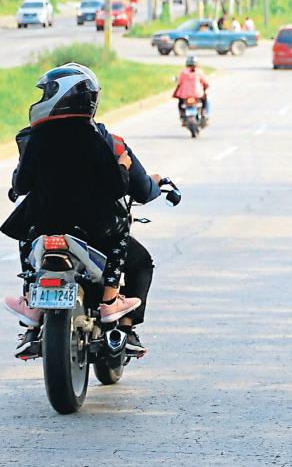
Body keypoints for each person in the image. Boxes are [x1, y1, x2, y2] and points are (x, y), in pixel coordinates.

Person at [1, 64, 159, 358]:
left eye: (46, 92)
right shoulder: (98, 138)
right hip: (94, 227)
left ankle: (31, 303)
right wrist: (123, 167)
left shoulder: (36, 138)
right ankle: (114, 307)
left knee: (27, 230)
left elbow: (21, 184)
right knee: (127, 242)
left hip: (45, 224)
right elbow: (116, 188)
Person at [173, 56, 210, 123]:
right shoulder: (199, 72)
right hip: (198, 94)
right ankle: (204, 113)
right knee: (205, 101)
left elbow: (179, 82)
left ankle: (181, 115)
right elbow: (206, 82)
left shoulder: (183, 72)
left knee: (180, 103)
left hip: (185, 95)